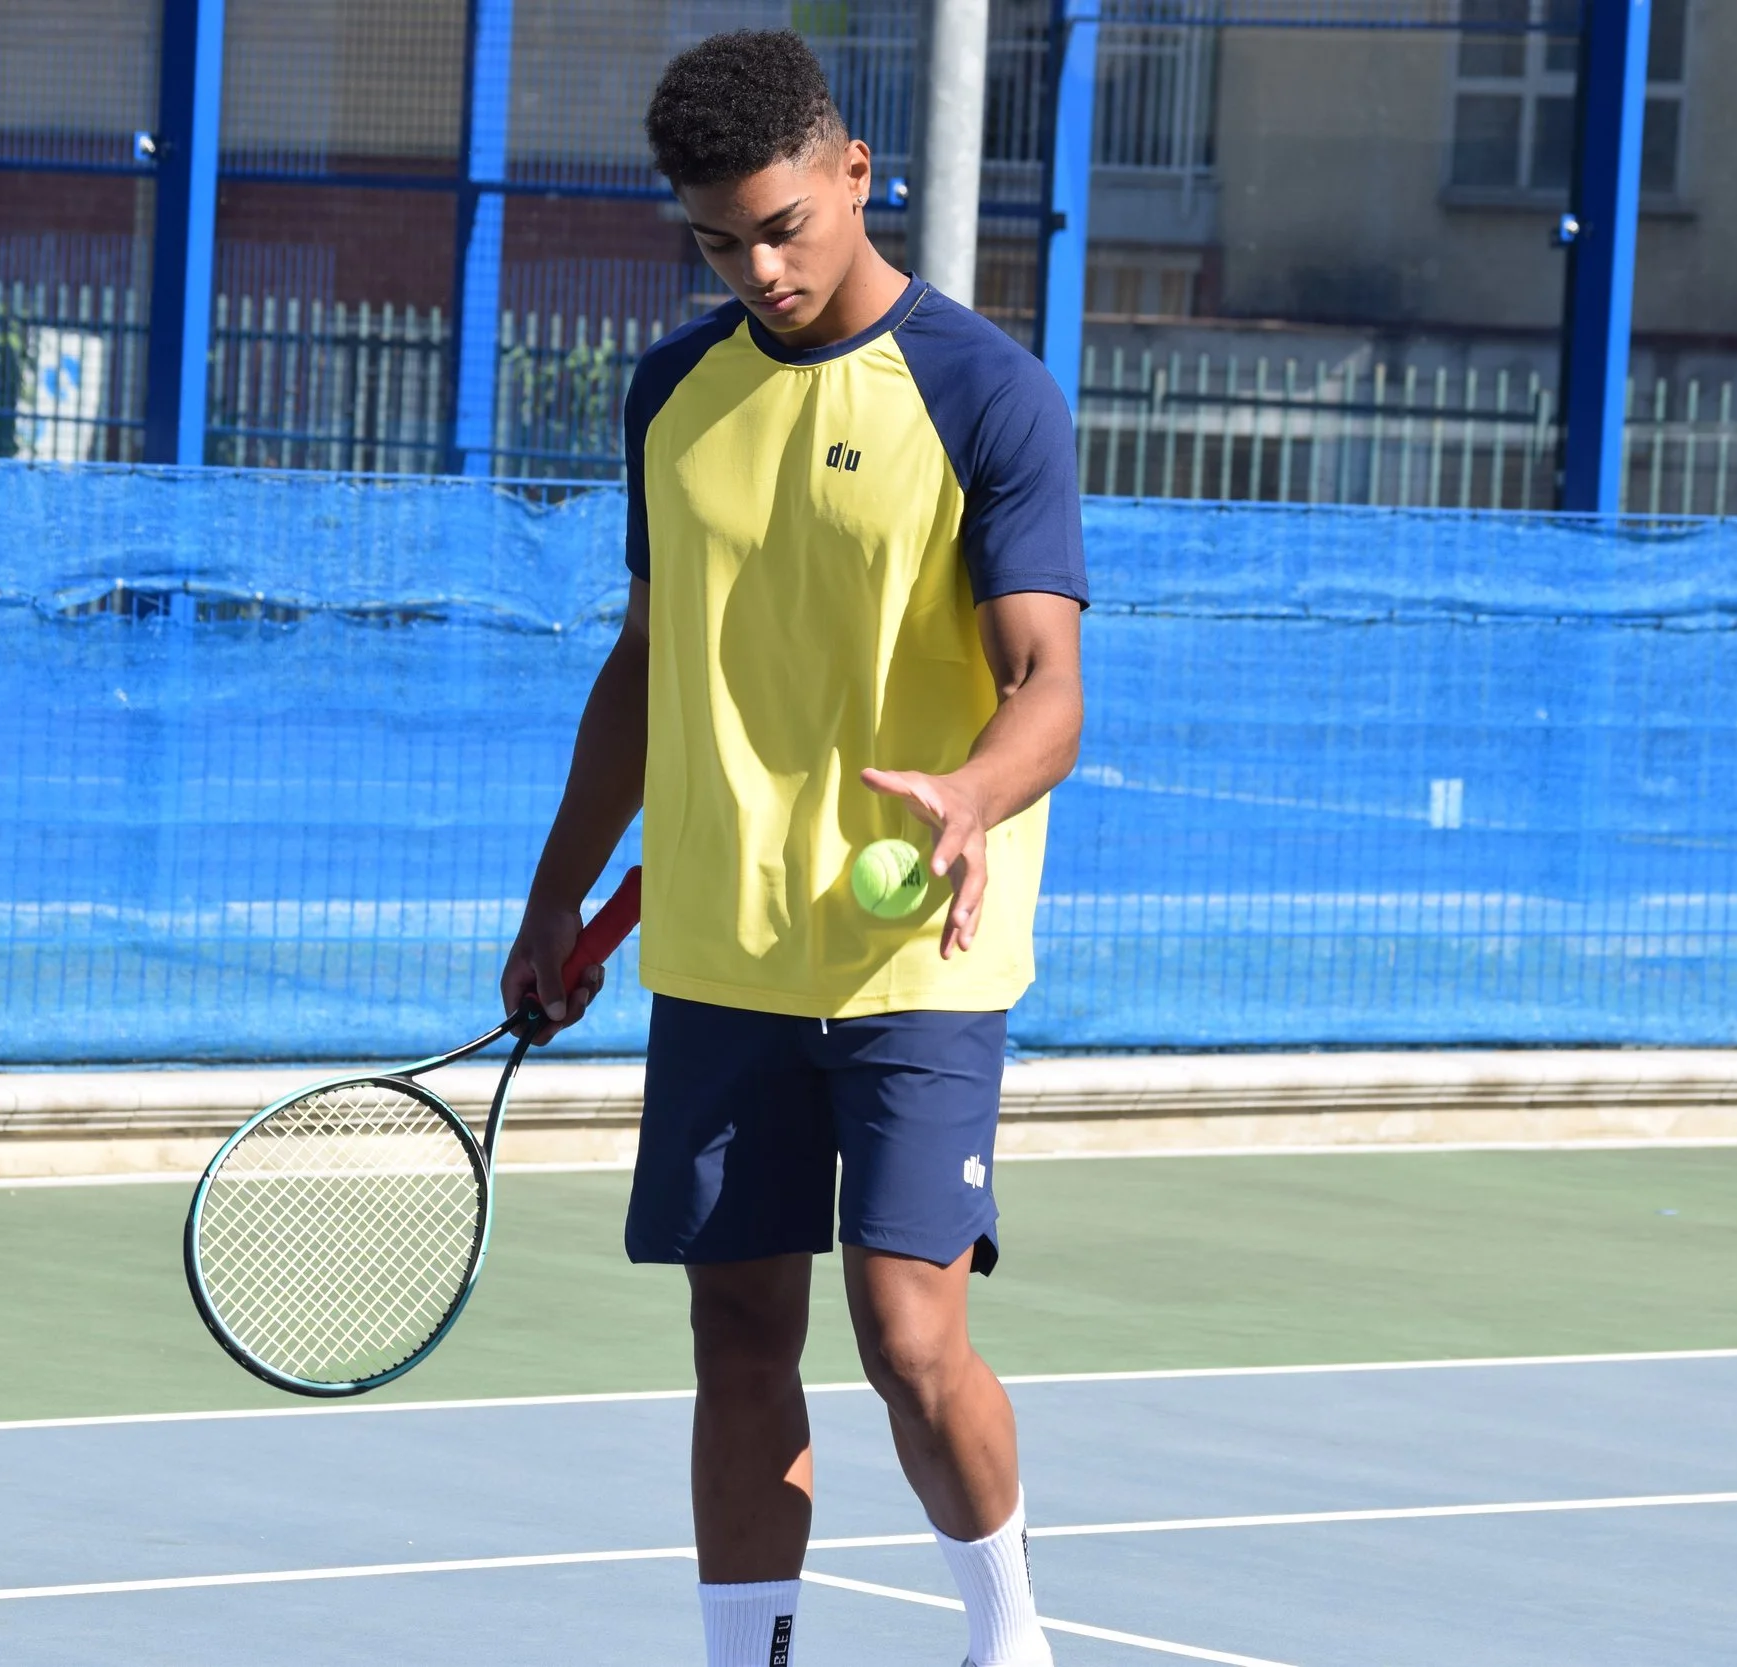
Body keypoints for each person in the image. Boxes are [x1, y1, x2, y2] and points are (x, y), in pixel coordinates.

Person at [500, 29, 1085, 1667]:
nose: (758, 269)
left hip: (917, 955)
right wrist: (556, 897)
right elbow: (643, 662)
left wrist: (973, 793)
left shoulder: (987, 393)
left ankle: (1009, 1639)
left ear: (854, 173)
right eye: (717, 243)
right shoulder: (673, 394)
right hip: (721, 955)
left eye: (782, 226)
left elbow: (1049, 687)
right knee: (738, 1335)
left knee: (908, 1334)